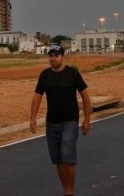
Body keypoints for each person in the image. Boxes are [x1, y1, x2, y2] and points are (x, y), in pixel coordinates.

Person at [29, 44, 91, 196]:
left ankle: (70, 192)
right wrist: (32, 118)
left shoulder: (72, 74)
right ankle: (66, 191)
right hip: (52, 123)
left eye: (56, 55)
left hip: (69, 121)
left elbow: (85, 96)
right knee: (58, 160)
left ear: (63, 57)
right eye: (50, 56)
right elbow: (37, 97)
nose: (53, 59)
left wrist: (87, 120)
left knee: (67, 156)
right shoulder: (45, 75)